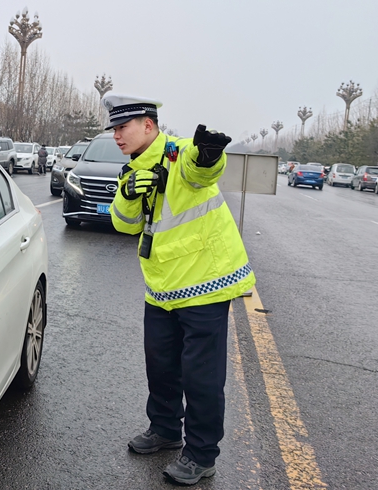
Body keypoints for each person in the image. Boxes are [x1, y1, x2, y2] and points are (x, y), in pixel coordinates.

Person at [104, 93, 255, 486]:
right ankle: (166, 430)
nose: (117, 136)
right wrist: (129, 192)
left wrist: (209, 156)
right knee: (161, 366)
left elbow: (202, 169)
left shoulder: (180, 153)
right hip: (161, 288)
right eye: (115, 129)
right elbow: (123, 223)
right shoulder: (132, 169)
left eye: (123, 128)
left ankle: (202, 455)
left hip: (204, 284)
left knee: (201, 377)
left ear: (148, 126)